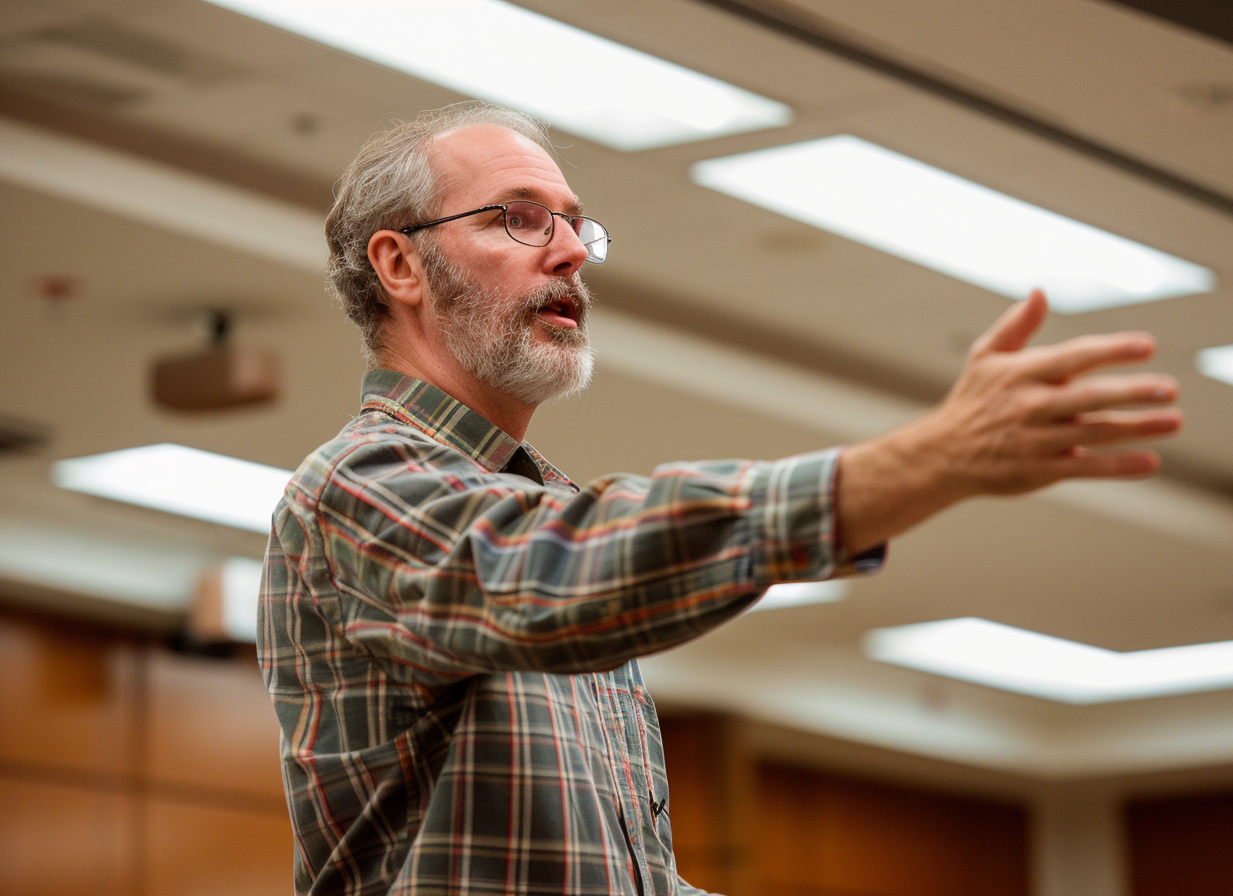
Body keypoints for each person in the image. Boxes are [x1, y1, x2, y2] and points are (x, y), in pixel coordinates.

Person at [258, 102, 1182, 896]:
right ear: (401, 266)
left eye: (577, 225)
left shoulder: (550, 509)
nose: (574, 252)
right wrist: (924, 462)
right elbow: (555, 566)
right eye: (520, 219)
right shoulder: (356, 486)